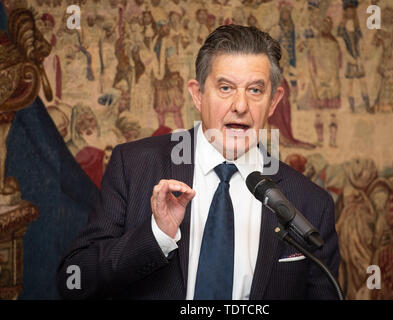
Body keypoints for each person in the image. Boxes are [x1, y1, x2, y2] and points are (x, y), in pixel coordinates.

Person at [57, 25, 340, 300]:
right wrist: (157, 236)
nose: (240, 106)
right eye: (226, 87)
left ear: (274, 101)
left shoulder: (312, 204)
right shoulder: (132, 166)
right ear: (197, 94)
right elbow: (74, 281)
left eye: (255, 90)